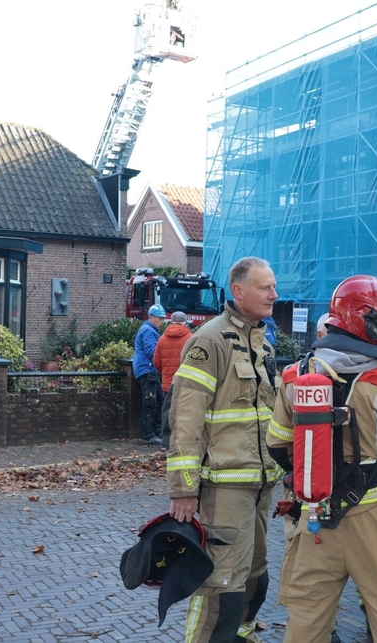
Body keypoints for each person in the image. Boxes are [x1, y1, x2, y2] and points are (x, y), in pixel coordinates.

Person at [267, 274, 377, 643]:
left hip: (314, 517)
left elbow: (278, 447)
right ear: (369, 320)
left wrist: (316, 479)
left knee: (306, 624)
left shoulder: (296, 375)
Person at [166, 256, 281, 642]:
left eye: (273, 287)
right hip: (225, 487)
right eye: (265, 287)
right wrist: (184, 489)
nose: (273, 295)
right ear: (239, 291)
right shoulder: (209, 341)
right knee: (221, 586)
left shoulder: (263, 343)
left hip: (261, 485)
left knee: (255, 577)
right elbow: (185, 419)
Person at [153, 312, 193, 449]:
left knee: (167, 413)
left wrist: (165, 374)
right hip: (185, 383)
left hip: (167, 383)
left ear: (171, 322)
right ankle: (182, 443)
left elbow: (156, 362)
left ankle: (166, 443)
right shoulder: (190, 338)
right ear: (185, 323)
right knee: (184, 414)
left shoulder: (162, 339)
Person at [133, 303, 167, 445]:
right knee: (151, 402)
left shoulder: (149, 330)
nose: (162, 321)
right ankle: (148, 435)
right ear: (151, 317)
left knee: (158, 401)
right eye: (159, 318)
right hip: (147, 371)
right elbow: (152, 352)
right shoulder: (148, 331)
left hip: (148, 370)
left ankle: (156, 431)